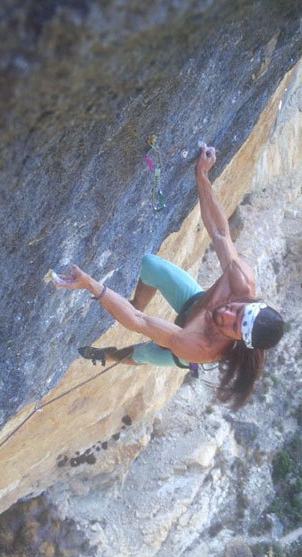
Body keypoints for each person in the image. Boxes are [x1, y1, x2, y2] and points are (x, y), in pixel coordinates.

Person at [52, 144, 284, 409]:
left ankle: (106, 356)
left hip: (182, 341)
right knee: (151, 265)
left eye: (233, 326)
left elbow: (138, 323)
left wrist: (90, 285)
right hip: (194, 302)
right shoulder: (240, 280)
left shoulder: (199, 347)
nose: (227, 315)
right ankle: (134, 300)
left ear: (238, 340)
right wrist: (202, 175)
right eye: (238, 310)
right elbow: (220, 232)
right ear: (249, 300)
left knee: (140, 353)